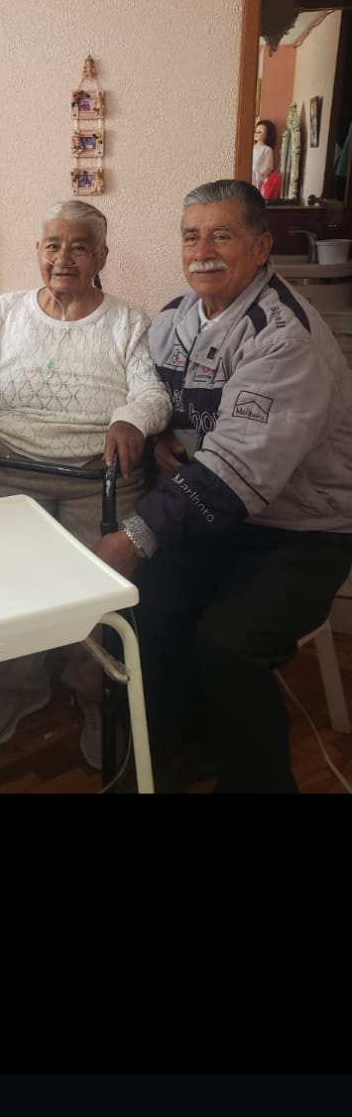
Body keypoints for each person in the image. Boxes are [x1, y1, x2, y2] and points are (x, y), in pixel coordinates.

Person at [94, 179, 352, 793]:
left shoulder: (283, 336)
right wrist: (157, 433)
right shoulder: (173, 319)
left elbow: (236, 470)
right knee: (144, 609)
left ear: (261, 248)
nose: (203, 250)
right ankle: (175, 755)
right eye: (191, 236)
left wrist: (131, 538)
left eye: (222, 235)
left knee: (226, 645)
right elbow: (154, 398)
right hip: (220, 519)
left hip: (304, 529)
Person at [0, 199, 172, 770]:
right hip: (13, 470)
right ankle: (18, 688)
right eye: (53, 246)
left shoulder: (129, 321)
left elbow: (153, 393)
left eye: (79, 246)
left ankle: (92, 692)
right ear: (37, 252)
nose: (64, 258)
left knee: (97, 590)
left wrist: (130, 419)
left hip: (98, 478)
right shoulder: (5, 312)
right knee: (8, 585)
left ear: (101, 256)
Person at [252, 118, 276, 192]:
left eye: (260, 132)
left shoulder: (267, 149)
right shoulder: (251, 147)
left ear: (267, 135)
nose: (256, 134)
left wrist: (261, 174)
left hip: (258, 177)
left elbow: (267, 166)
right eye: (255, 131)